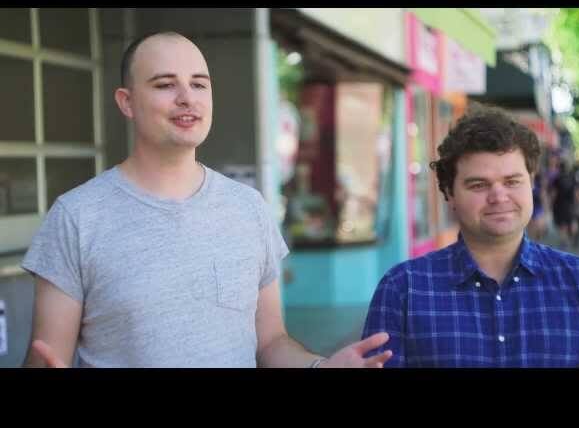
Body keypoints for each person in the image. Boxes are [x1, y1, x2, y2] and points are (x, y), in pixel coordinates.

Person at [21, 31, 392, 368]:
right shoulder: (77, 216)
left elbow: (270, 342)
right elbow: (47, 355)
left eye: (199, 84)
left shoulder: (249, 209)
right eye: (165, 84)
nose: (187, 98)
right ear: (127, 102)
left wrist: (320, 367)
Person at [361, 108, 579, 367]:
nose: (498, 196)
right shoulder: (403, 290)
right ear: (449, 193)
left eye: (512, 181)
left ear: (531, 183)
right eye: (478, 184)